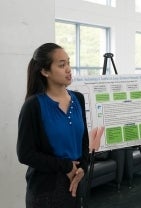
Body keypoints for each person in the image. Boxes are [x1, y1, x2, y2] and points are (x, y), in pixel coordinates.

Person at [16, 43, 89, 208]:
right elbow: (25, 154)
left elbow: (83, 140)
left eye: (68, 63)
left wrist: (82, 167)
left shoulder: (78, 98)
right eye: (62, 65)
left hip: (76, 184)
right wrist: (66, 166)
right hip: (46, 191)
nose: (68, 69)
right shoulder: (33, 105)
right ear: (45, 71)